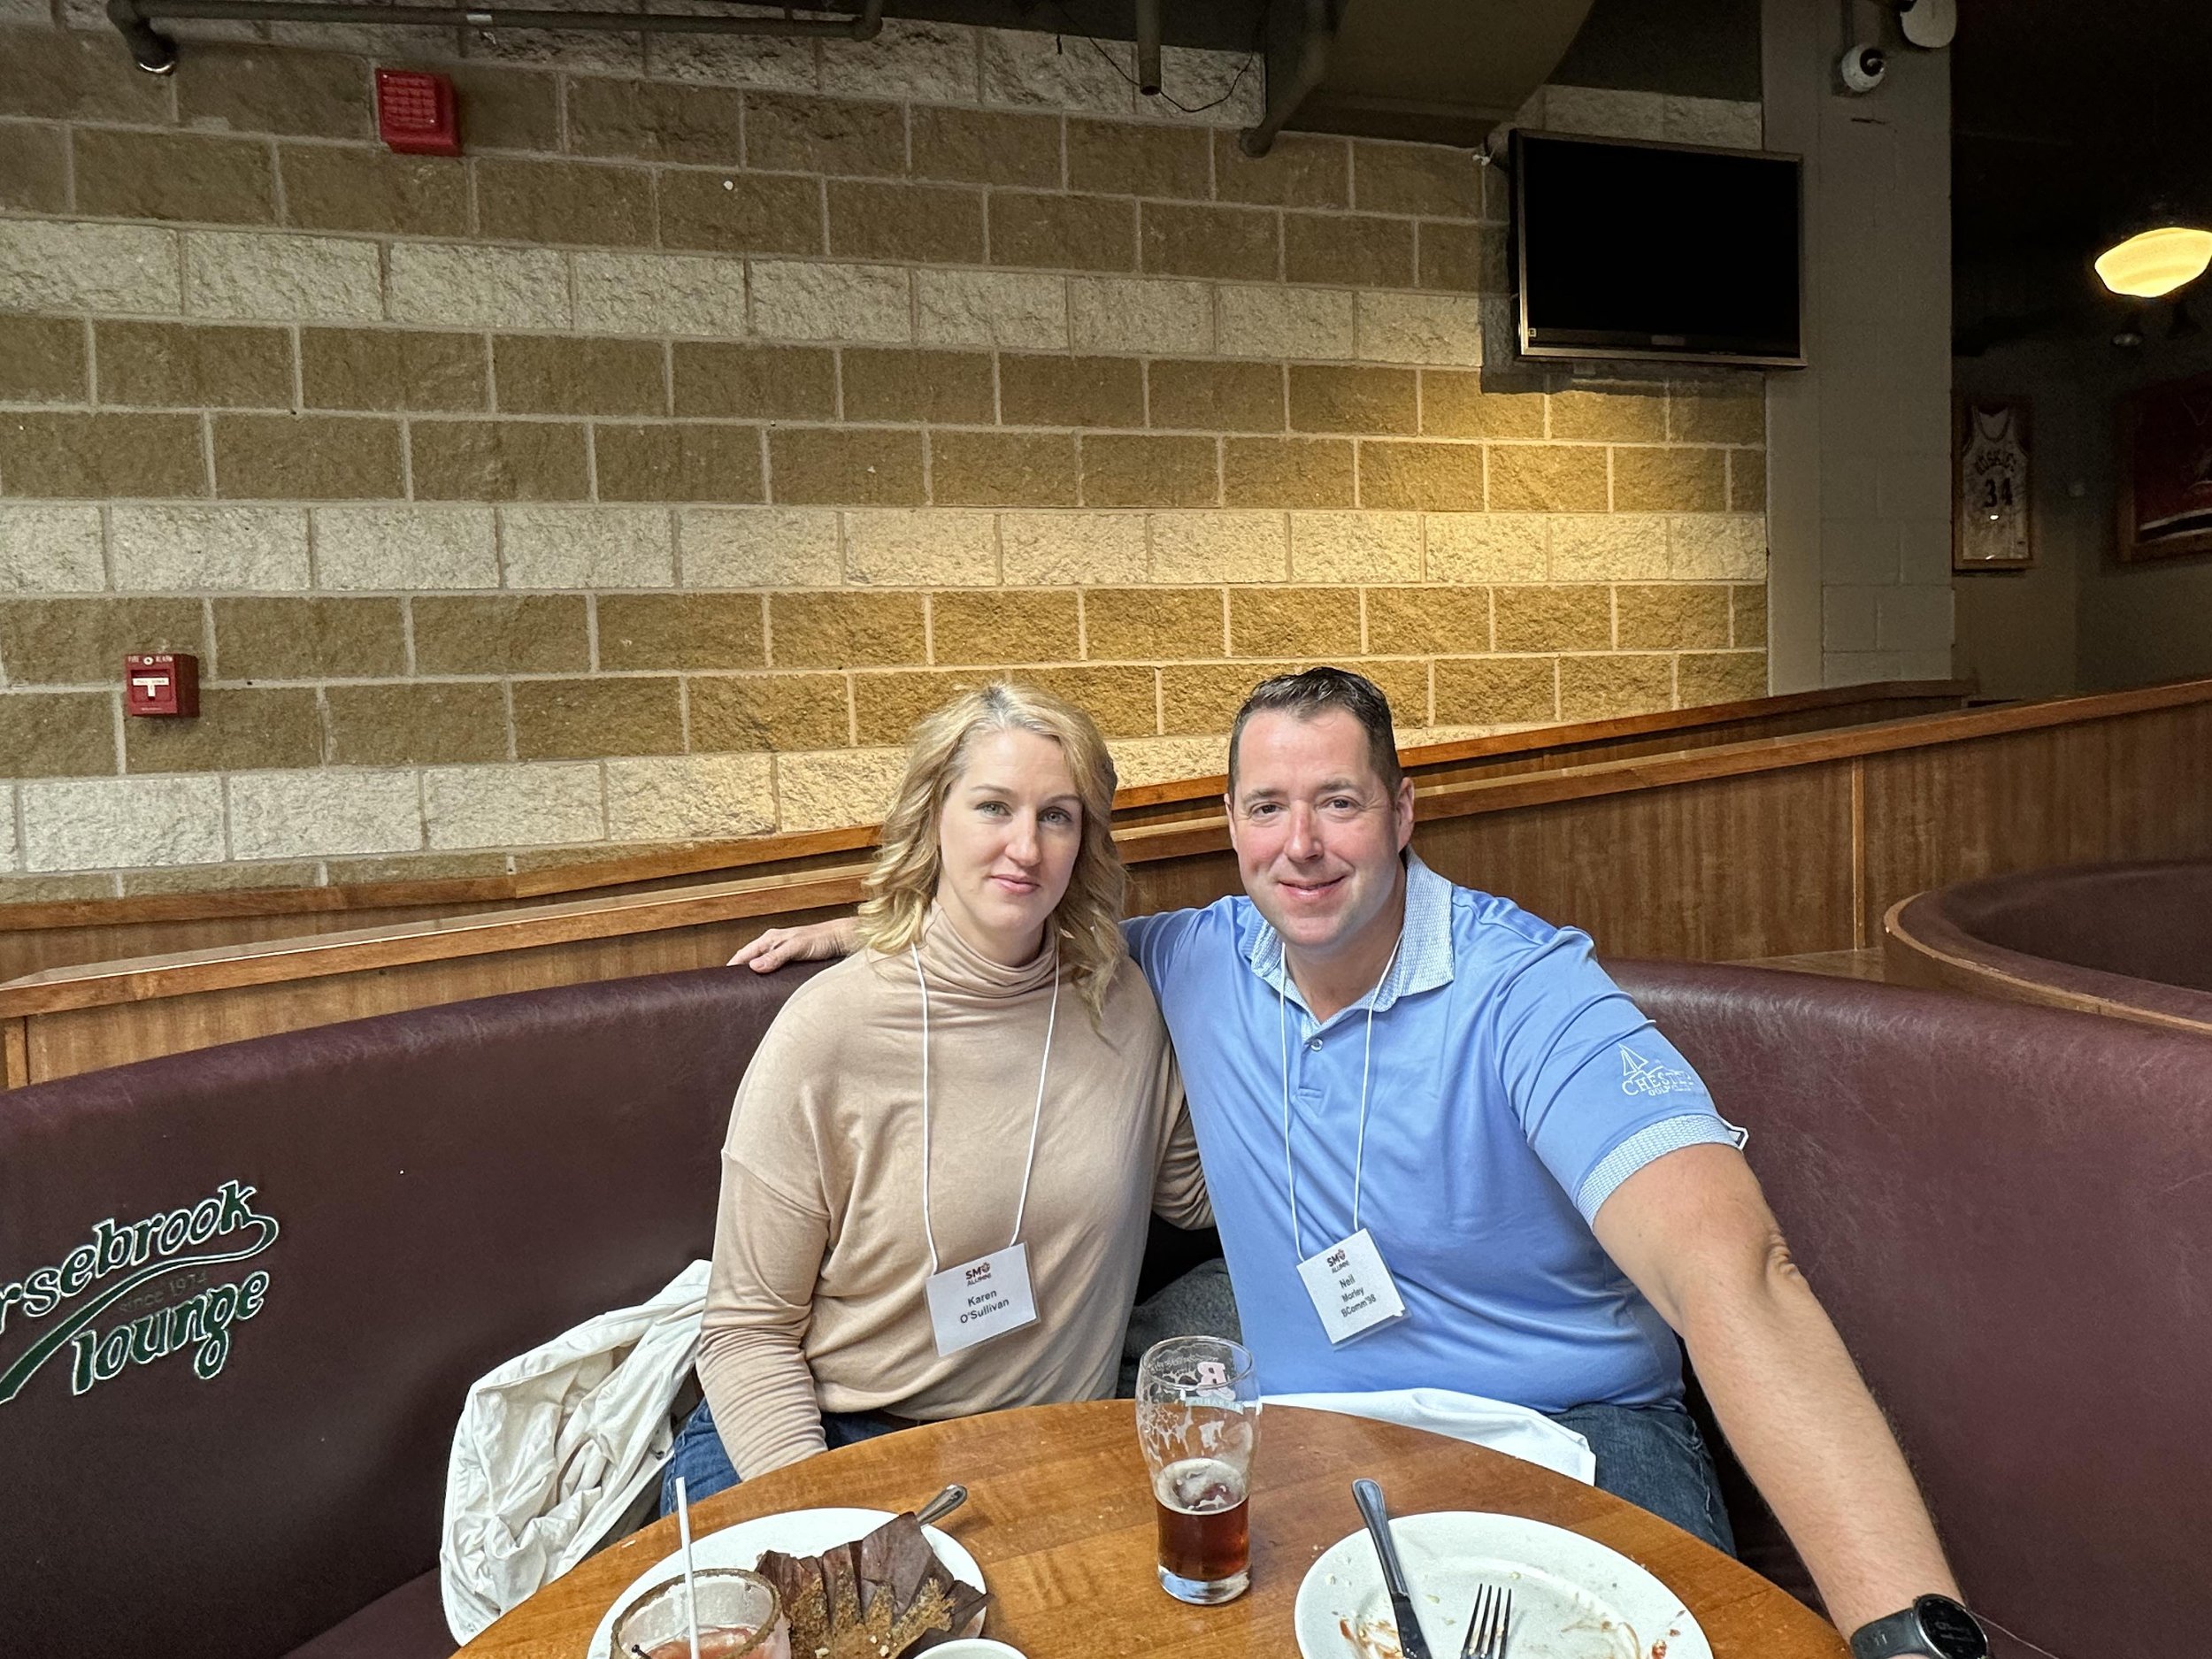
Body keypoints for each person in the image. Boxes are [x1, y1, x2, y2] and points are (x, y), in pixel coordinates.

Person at [735, 668, 1983, 1658]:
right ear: (1230, 826)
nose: (1304, 844)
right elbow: (1008, 925)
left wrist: (1904, 1627)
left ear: (1401, 811)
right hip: (1322, 1438)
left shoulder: (1528, 986)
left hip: (1577, 1419)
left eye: (1339, 800)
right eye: (1267, 807)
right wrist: (877, 928)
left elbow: (1738, 1273)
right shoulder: (1196, 958)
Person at [667, 682, 1208, 1510]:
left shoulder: (1119, 1005)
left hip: (1034, 1451)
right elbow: (746, 1333)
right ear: (934, 818)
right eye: (994, 807)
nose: (1025, 845)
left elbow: (1197, 1197)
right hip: (820, 1435)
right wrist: (827, 1517)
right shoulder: (829, 1033)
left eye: (1057, 815)